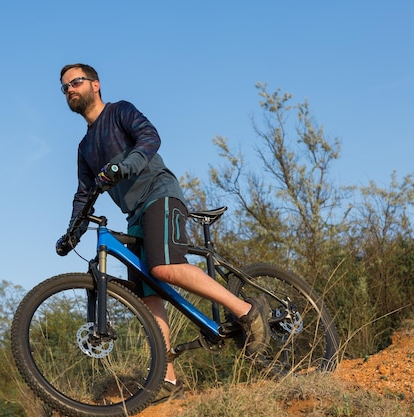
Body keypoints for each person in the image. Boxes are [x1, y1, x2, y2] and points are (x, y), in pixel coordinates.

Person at [56, 63, 271, 404]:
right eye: (64, 87)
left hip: (160, 194)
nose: (70, 89)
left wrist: (124, 165)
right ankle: (167, 379)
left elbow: (150, 138)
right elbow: (84, 195)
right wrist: (72, 232)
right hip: (134, 214)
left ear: (95, 85)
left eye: (76, 82)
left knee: (162, 268)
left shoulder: (119, 111)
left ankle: (246, 310)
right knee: (148, 294)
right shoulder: (85, 148)